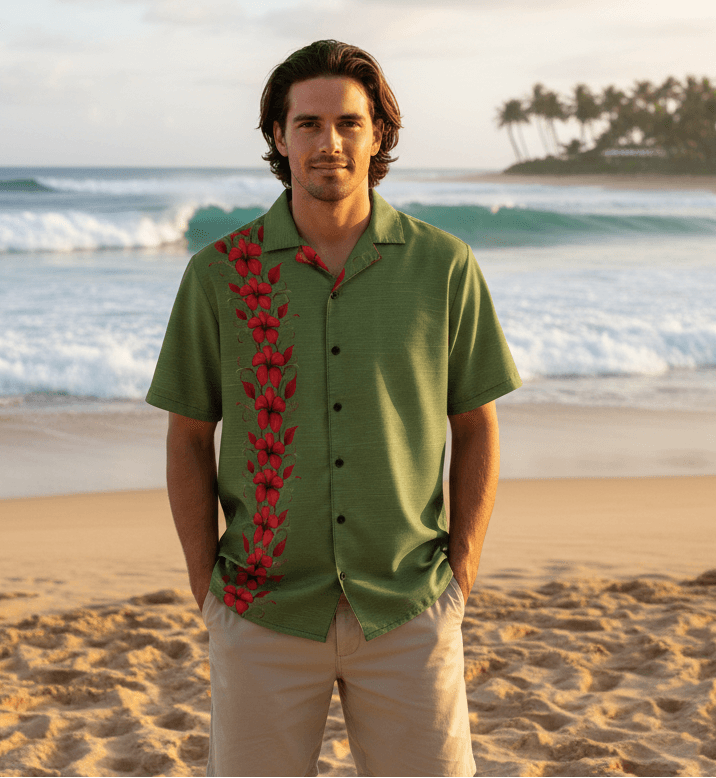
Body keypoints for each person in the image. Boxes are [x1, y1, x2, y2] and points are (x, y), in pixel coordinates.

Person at [146, 39, 522, 777]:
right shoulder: (220, 274)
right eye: (309, 125)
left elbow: (475, 423)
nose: (329, 143)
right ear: (278, 139)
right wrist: (205, 585)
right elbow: (189, 433)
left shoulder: (442, 266)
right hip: (262, 610)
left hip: (407, 605)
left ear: (378, 134)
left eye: (349, 123)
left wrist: (464, 570)